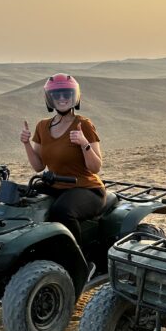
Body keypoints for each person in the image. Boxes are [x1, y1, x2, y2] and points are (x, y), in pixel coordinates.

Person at [20, 74, 105, 242]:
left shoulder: (83, 124)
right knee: (21, 200)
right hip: (56, 185)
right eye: (56, 94)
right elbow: (38, 166)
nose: (61, 98)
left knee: (62, 211)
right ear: (49, 98)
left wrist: (84, 143)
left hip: (86, 188)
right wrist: (26, 144)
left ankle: (78, 262)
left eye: (66, 94)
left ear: (75, 96)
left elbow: (96, 167)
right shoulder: (42, 126)